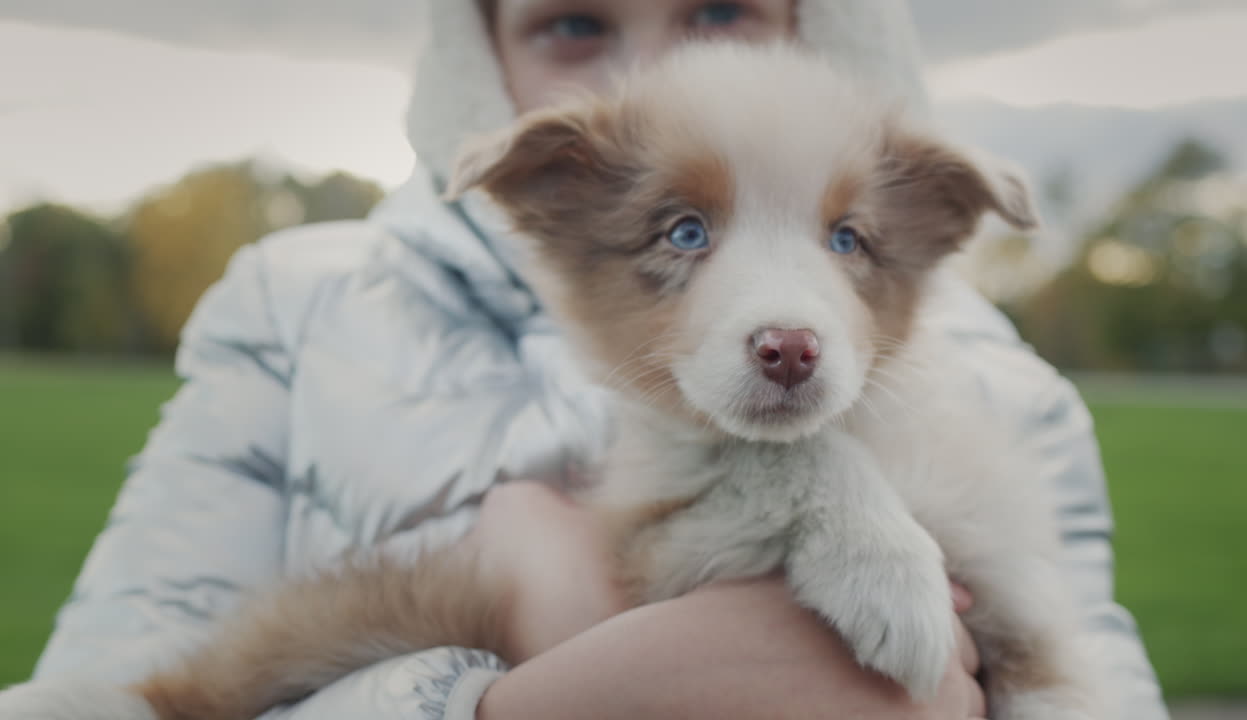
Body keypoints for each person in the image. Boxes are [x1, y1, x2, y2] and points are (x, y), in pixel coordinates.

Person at [20, 1, 1169, 718]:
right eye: (574, 21)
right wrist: (504, 702)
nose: (653, 61)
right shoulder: (290, 312)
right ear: (478, 50)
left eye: (719, 9)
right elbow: (121, 688)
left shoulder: (1013, 401)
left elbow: (1075, 675)